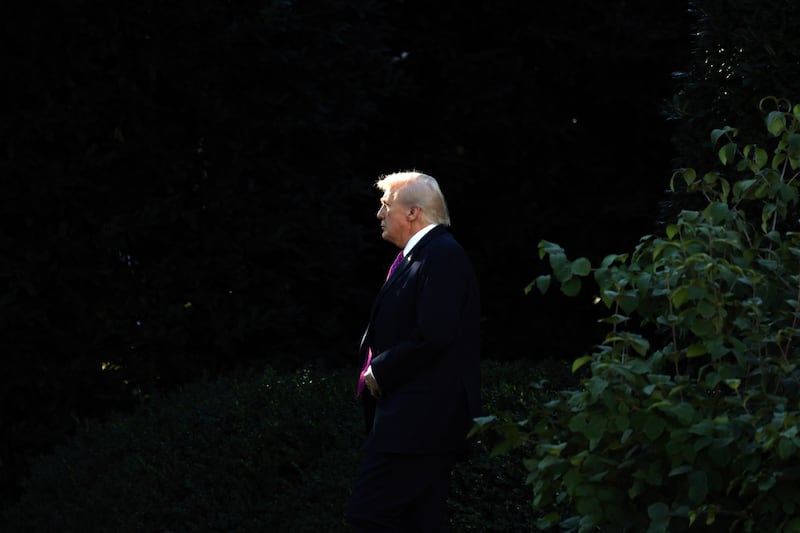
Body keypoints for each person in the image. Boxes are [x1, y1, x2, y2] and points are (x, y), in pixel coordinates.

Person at [345, 171, 482, 532]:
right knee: (420, 521)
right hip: (418, 420)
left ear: (412, 212)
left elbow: (435, 335)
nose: (379, 214)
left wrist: (381, 369)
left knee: (367, 514)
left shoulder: (440, 255)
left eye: (385, 205)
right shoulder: (423, 255)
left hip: (420, 421)